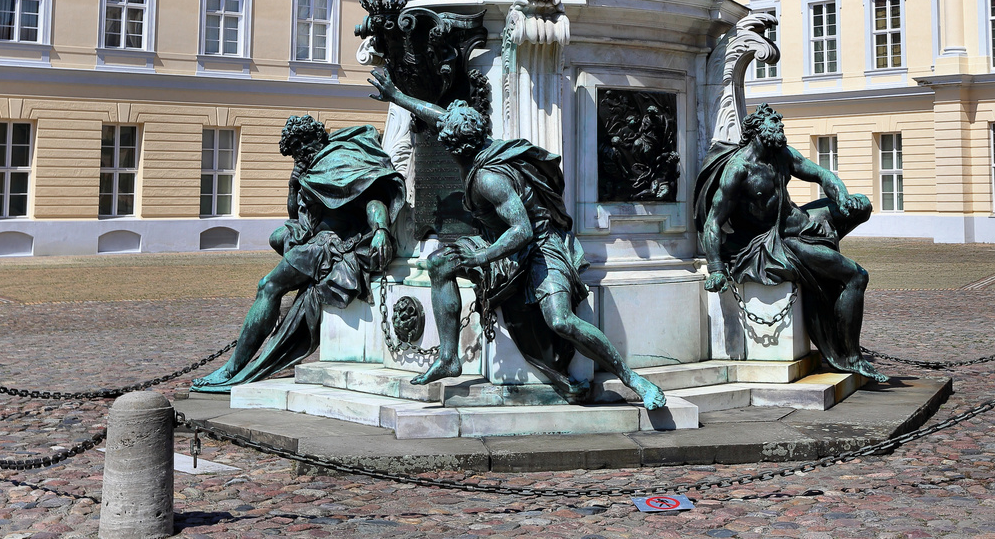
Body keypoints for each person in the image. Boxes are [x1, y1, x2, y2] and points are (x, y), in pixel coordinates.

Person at [369, 67, 668, 409]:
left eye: (446, 144)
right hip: (503, 239)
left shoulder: (486, 178)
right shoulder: (476, 140)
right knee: (440, 263)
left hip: (539, 245)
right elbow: (439, 118)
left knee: (561, 320)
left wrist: (481, 258)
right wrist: (396, 96)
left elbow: (522, 230)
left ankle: (632, 378)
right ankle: (450, 358)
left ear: (457, 150)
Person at [192, 115, 403, 391]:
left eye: (297, 151)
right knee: (277, 237)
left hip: (329, 245)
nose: (297, 158)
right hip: (314, 237)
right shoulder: (313, 167)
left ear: (307, 143)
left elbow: (373, 199)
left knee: (268, 286)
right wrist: (294, 184)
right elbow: (297, 218)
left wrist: (380, 230)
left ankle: (233, 368)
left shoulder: (338, 160)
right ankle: (256, 343)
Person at [694, 104, 886, 381]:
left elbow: (822, 174)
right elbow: (712, 221)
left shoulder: (780, 154)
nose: (780, 128)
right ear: (758, 130)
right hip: (780, 240)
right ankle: (851, 356)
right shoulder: (739, 170)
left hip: (802, 222)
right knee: (856, 277)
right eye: (775, 124)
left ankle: (824, 246)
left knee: (861, 206)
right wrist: (716, 268)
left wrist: (841, 197)